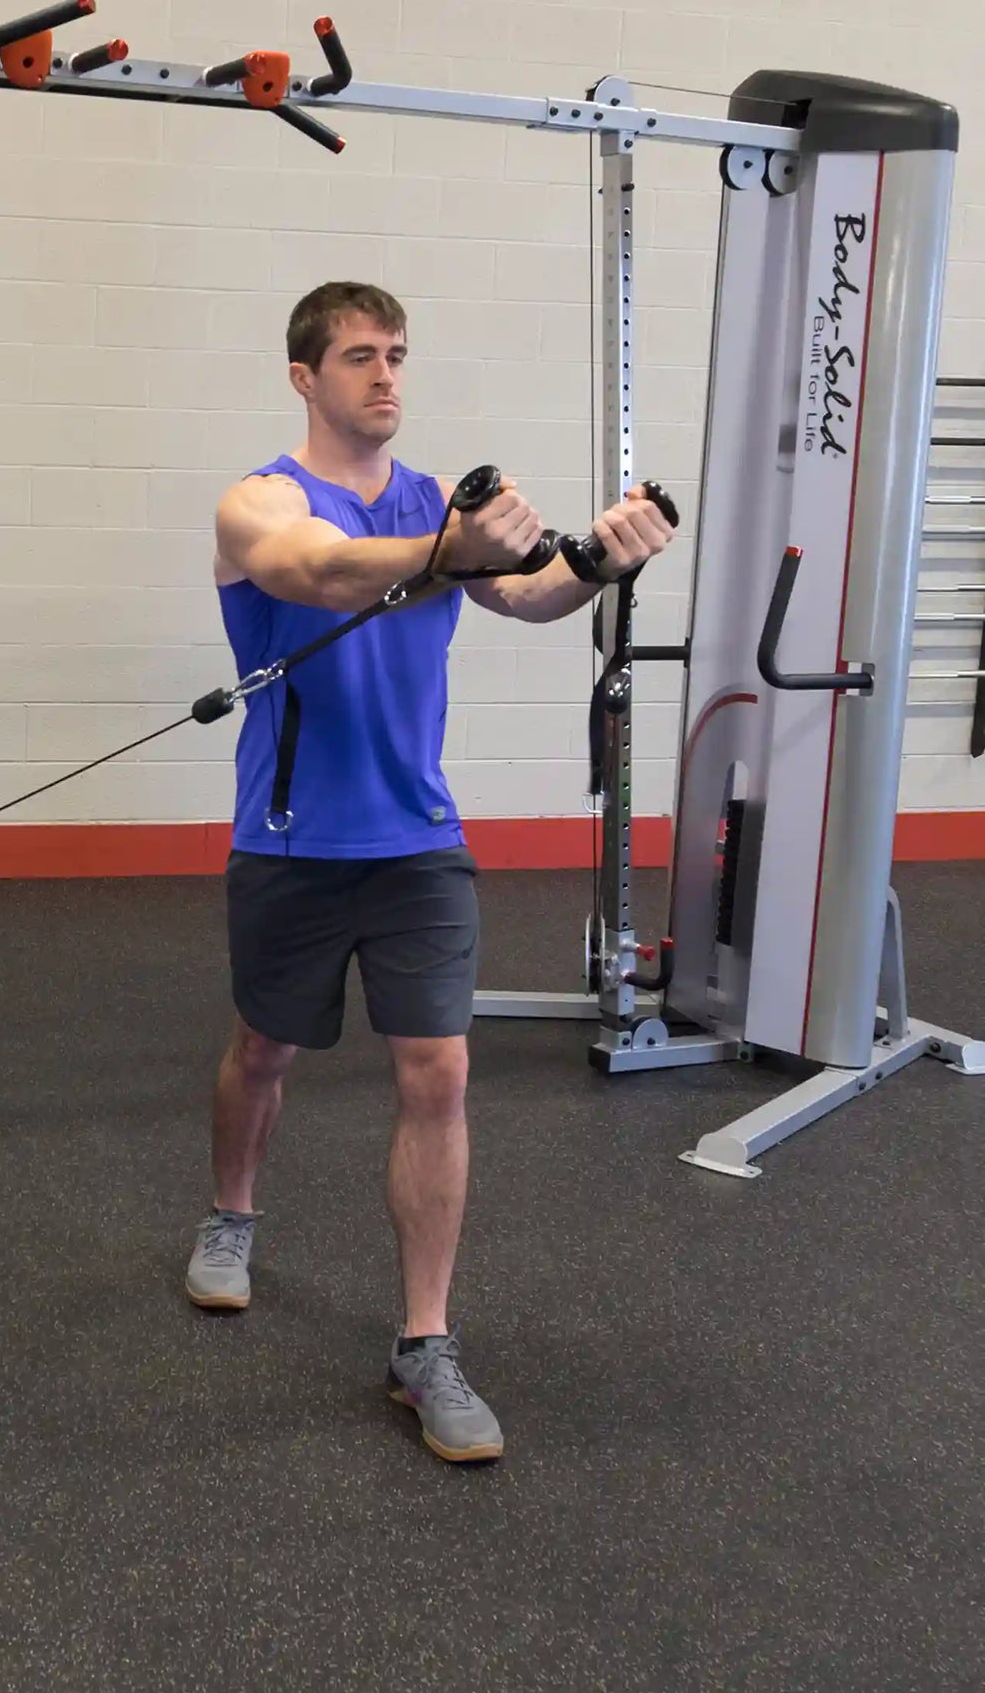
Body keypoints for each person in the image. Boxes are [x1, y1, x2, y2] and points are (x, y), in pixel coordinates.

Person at [187, 280, 675, 1464]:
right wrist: (448, 546)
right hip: (291, 842)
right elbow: (316, 572)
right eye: (359, 356)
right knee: (264, 1049)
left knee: (438, 1072)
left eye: (397, 354)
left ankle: (422, 1343)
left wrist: (602, 558)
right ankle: (230, 1215)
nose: (385, 376)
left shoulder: (432, 499)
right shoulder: (257, 500)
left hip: (418, 843)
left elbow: (528, 593)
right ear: (304, 376)